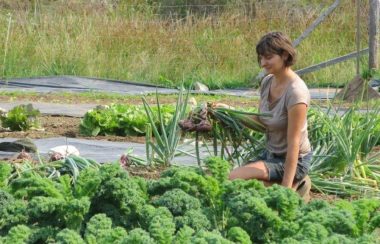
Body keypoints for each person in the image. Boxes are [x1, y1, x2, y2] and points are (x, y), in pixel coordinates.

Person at [228, 31, 313, 201]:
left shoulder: (296, 93)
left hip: (294, 160)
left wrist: (285, 191)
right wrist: (229, 112)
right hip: (270, 154)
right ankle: (293, 185)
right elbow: (261, 121)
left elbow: (294, 145)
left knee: (234, 178)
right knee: (238, 182)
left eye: (268, 57)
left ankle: (295, 186)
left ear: (285, 55)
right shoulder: (268, 82)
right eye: (260, 58)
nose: (262, 63)